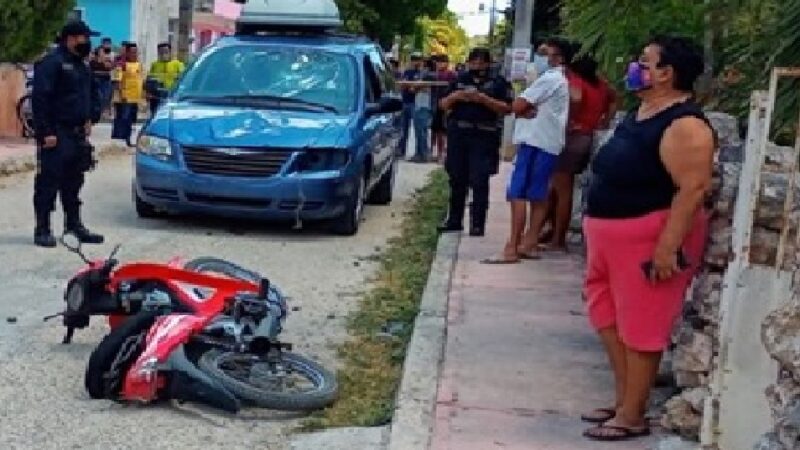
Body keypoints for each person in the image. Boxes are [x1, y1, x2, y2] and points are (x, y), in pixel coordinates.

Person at [580, 36, 713, 442]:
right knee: (607, 317)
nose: (636, 67)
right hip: (607, 235)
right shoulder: (641, 112)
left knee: (641, 328)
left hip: (646, 237)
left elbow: (692, 189)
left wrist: (666, 247)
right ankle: (624, 400)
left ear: (666, 72)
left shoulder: (685, 125)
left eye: (644, 61)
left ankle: (633, 414)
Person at [482, 38, 571, 264]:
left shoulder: (550, 79)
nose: (538, 57)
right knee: (538, 194)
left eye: (544, 53)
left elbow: (518, 106)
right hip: (547, 142)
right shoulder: (556, 80)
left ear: (557, 58)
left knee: (517, 193)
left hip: (536, 142)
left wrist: (521, 108)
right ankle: (529, 242)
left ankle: (512, 246)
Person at [31, 20, 104, 248]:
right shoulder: (52, 63)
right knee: (48, 182)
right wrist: (46, 132)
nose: (88, 42)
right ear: (71, 38)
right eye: (84, 37)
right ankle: (42, 228)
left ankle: (74, 225)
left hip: (77, 134)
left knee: (74, 182)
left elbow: (91, 93)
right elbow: (40, 99)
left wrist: (90, 117)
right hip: (56, 133)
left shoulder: (82, 65)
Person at [541, 53, 618, 251]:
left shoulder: (576, 81)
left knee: (561, 190)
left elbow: (576, 98)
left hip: (573, 137)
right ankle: (550, 232)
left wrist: (567, 123)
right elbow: (614, 97)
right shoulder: (599, 84)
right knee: (558, 188)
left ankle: (558, 239)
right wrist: (605, 120)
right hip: (587, 136)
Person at [437, 47, 512, 236]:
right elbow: (443, 104)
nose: (477, 65)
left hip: (484, 136)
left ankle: (477, 224)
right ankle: (454, 220)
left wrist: (483, 99)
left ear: (488, 63)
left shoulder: (498, 82)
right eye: (474, 61)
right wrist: (457, 96)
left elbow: (507, 108)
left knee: (480, 180)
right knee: (456, 178)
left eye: (481, 62)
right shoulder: (460, 80)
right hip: (459, 134)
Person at [112, 42, 143, 147]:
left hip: (136, 97)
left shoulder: (139, 64)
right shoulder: (121, 64)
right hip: (126, 97)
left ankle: (129, 138)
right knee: (125, 118)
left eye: (136, 52)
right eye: (132, 52)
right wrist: (121, 95)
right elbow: (116, 81)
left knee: (133, 119)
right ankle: (125, 138)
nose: (134, 54)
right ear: (128, 53)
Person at [146, 42, 186, 116]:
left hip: (171, 95)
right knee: (155, 115)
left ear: (170, 52)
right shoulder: (154, 65)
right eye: (161, 52)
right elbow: (149, 79)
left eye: (166, 52)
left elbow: (183, 79)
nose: (163, 54)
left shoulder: (177, 64)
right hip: (157, 96)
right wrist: (148, 93)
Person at [431, 54, 457, 163]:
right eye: (437, 62)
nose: (439, 64)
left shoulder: (451, 75)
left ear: (446, 63)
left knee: (444, 131)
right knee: (436, 130)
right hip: (436, 104)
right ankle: (435, 152)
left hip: (448, 106)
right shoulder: (435, 74)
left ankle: (443, 154)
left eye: (441, 62)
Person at [411, 58, 437, 162]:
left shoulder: (430, 76)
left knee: (422, 132)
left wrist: (417, 86)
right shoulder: (423, 76)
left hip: (424, 106)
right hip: (419, 105)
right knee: (418, 131)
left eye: (422, 65)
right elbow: (413, 88)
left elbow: (415, 86)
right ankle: (418, 153)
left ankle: (423, 154)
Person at [399, 53, 424, 157]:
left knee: (419, 129)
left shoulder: (422, 73)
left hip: (416, 103)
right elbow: (403, 85)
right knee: (403, 128)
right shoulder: (407, 71)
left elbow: (416, 88)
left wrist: (411, 86)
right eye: (413, 59)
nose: (415, 61)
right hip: (405, 101)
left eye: (417, 59)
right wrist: (410, 85)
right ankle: (401, 150)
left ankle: (420, 153)